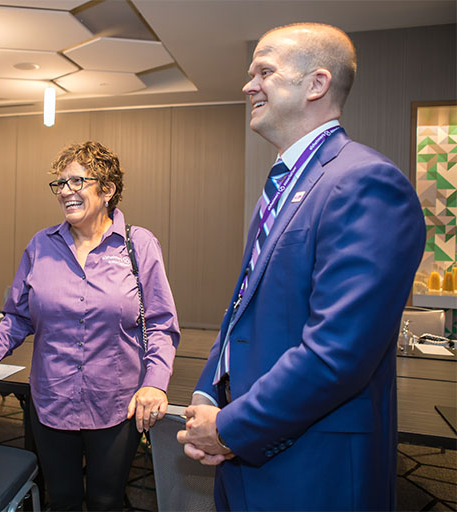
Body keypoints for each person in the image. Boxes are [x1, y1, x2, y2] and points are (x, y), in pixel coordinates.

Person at [177, 23, 425, 511]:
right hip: (247, 450)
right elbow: (243, 308)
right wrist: (208, 393)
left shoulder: (365, 182)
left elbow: (337, 353)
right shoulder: (284, 187)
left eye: (264, 72)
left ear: (316, 84)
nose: (248, 86)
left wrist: (229, 429)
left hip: (312, 466)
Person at [0, 141, 180, 511]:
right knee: (61, 499)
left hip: (116, 403)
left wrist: (155, 383)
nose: (65, 191)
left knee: (106, 500)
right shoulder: (41, 245)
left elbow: (160, 323)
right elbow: (16, 318)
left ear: (107, 189)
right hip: (52, 400)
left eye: (77, 181)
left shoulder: (138, 244)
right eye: (60, 184)